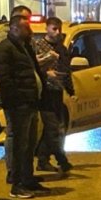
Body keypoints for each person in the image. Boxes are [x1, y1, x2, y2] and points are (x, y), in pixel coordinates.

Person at [0, 14, 51, 199]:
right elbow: (5, 79)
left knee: (29, 143)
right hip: (19, 105)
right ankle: (17, 184)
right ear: (15, 28)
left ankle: (28, 179)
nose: (31, 32)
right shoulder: (5, 49)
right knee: (19, 144)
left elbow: (33, 71)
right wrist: (17, 101)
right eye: (27, 28)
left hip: (30, 102)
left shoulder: (24, 47)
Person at [35, 16, 74, 175]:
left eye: (59, 29)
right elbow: (33, 67)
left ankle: (44, 160)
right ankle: (61, 159)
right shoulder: (38, 46)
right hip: (45, 93)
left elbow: (66, 70)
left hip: (57, 92)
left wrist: (71, 90)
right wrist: (46, 74)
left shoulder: (61, 48)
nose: (57, 32)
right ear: (47, 28)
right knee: (53, 128)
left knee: (54, 128)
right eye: (54, 29)